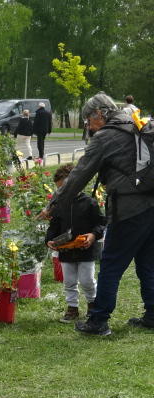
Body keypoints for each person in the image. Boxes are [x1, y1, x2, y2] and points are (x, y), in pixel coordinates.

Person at [39, 91, 154, 336]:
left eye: (88, 121)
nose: (89, 126)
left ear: (99, 114)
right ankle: (153, 314)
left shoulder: (105, 137)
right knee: (147, 262)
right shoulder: (136, 124)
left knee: (111, 264)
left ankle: (99, 320)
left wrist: (53, 206)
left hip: (129, 209)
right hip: (151, 205)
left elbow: (78, 177)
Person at [45, 164, 106, 323]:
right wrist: (49, 239)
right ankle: (72, 308)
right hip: (66, 250)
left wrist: (93, 235)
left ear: (77, 183)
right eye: (59, 189)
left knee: (87, 279)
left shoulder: (90, 203)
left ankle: (93, 304)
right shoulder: (60, 205)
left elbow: (100, 223)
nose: (61, 192)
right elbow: (54, 225)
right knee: (69, 281)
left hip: (86, 249)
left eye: (64, 188)